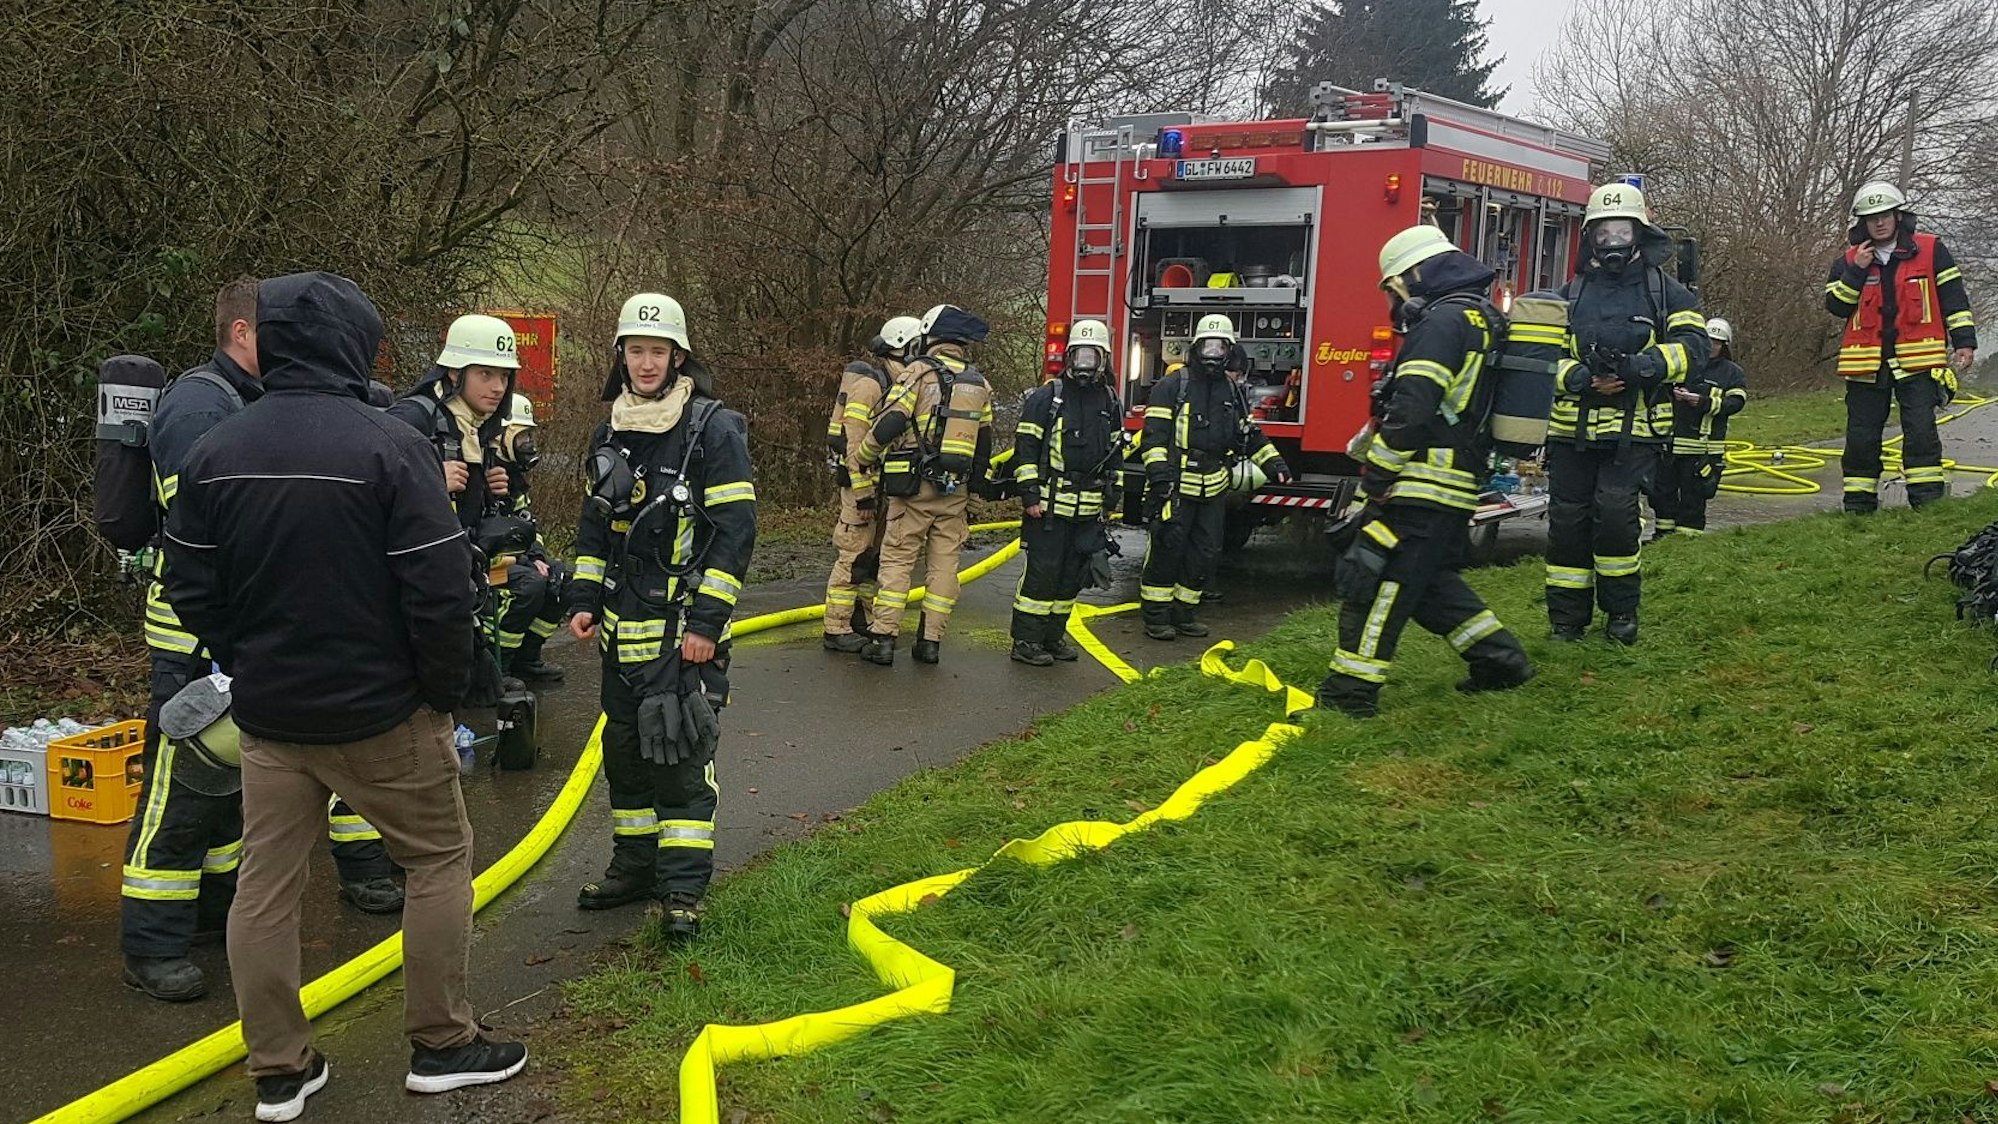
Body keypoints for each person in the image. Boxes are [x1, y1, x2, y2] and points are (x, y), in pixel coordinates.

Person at [162, 272, 525, 1121]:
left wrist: (247, 660)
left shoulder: (217, 450)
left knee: (265, 887)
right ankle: (443, 1044)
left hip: (269, 717)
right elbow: (441, 592)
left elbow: (188, 584)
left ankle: (279, 1071)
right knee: (438, 861)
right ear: (357, 346)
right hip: (384, 713)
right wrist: (438, 694)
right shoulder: (391, 447)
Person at [123, 279, 403, 1006]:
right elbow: (211, 533)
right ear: (244, 333)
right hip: (193, 640)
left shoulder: (247, 401)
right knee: (180, 792)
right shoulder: (199, 406)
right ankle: (152, 942)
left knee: (230, 791)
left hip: (245, 635)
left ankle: (207, 918)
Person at [566, 293, 756, 940]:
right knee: (625, 757)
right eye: (636, 351)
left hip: (681, 637)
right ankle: (634, 868)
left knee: (679, 756)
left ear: (679, 358)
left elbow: (735, 533)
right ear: (620, 355)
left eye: (658, 352)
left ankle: (682, 890)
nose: (646, 363)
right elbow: (594, 527)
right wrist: (583, 600)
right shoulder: (610, 431)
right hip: (620, 637)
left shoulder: (712, 429)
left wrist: (706, 624)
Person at [1315, 227, 1534, 716]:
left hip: (1421, 484)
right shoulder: (1483, 317)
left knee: (1378, 582)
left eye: (1394, 290)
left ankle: (1349, 695)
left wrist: (1377, 476)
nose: (1394, 303)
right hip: (1453, 483)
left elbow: (1413, 407)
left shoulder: (1440, 324)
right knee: (1431, 584)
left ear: (1414, 276)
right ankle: (1500, 662)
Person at [1545, 182, 1707, 646]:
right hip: (1571, 433)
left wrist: (1642, 368)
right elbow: (1543, 357)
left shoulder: (1666, 294)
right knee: (1567, 524)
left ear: (1639, 234)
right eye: (1604, 232)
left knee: (1617, 518)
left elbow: (1695, 349)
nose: (1612, 241)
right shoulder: (1570, 295)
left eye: (1621, 231)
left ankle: (1620, 613)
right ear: (1590, 237)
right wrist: (1581, 378)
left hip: (1634, 431)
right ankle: (1566, 621)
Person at [853, 304, 995, 666]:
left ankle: (883, 639)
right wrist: (974, 492)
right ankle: (930, 643)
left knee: (897, 562)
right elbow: (984, 444)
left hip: (913, 489)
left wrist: (864, 456)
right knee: (944, 567)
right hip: (955, 492)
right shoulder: (979, 384)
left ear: (930, 338)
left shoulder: (918, 373)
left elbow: (890, 423)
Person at [1824, 181, 1978, 512]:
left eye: (1885, 215)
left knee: (1921, 432)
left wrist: (1964, 341)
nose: (1879, 222)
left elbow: (1954, 298)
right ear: (1863, 223)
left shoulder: (1931, 249)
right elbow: (1836, 306)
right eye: (1872, 218)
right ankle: (1858, 507)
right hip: (1866, 365)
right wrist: (1856, 272)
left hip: (1918, 361)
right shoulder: (1847, 261)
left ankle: (1927, 504)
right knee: (1862, 438)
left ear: (1898, 216)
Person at [1139, 314, 1290, 641]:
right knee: (1168, 550)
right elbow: (1153, 438)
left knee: (1204, 554)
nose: (1212, 353)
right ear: (1196, 347)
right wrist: (1160, 479)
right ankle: (1156, 617)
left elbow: (1248, 432)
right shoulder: (1172, 386)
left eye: (1219, 347)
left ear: (1229, 350)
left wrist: (1275, 463)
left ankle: (1184, 614)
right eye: (1207, 346)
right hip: (1176, 488)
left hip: (1213, 489)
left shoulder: (1230, 390)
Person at [1009, 319, 1123, 666]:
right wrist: (1030, 495)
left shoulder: (1109, 400)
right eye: (1079, 355)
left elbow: (1116, 452)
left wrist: (1112, 494)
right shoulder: (1048, 397)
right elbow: (1026, 449)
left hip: (1087, 510)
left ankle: (1052, 637)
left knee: (1072, 577)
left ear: (1103, 359)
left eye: (1092, 356)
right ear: (1069, 356)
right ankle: (1026, 642)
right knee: (1042, 575)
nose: (1085, 364)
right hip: (1049, 507)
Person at [823, 317, 922, 653]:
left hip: (882, 487)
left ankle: (860, 619)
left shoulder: (897, 383)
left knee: (872, 558)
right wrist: (864, 495)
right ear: (904, 346)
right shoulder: (869, 384)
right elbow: (855, 444)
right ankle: (836, 628)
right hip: (860, 488)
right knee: (853, 555)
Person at [487, 392, 569, 680]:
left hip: (515, 561)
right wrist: (524, 562)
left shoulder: (514, 478)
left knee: (562, 578)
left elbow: (527, 525)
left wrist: (536, 556)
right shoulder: (483, 473)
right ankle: (497, 667)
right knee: (529, 584)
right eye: (521, 437)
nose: (528, 444)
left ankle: (527, 658)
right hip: (487, 566)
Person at [1652, 318, 1748, 538]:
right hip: (1672, 443)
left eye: (1717, 342)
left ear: (1724, 346)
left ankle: (1689, 537)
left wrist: (1702, 402)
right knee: (1662, 492)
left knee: (1694, 495)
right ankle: (1663, 536)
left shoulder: (1731, 373)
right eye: (1709, 340)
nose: (1712, 345)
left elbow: (1736, 403)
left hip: (1704, 448)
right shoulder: (1686, 365)